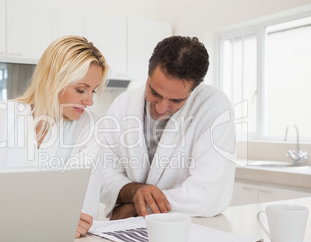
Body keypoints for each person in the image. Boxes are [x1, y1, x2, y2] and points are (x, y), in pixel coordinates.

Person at [0, 36, 109, 237]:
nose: (89, 101)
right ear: (53, 80)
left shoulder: (89, 127)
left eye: (93, 91)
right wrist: (53, 216)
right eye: (81, 90)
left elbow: (81, 216)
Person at [98, 36, 236, 220]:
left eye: (176, 100)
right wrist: (136, 192)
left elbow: (207, 196)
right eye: (154, 92)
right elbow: (103, 174)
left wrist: (134, 209)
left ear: (195, 89)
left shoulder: (213, 107)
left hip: (188, 229)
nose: (161, 108)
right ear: (148, 72)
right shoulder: (123, 105)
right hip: (129, 231)